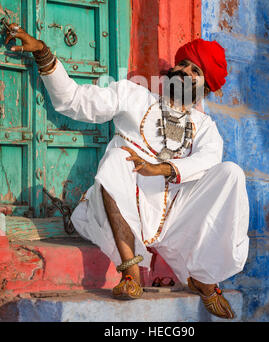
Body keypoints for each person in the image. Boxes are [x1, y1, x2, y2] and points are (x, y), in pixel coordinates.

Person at [4, 23, 249, 319]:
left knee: (231, 174)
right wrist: (44, 55)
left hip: (176, 216)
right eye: (182, 64)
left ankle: (204, 277)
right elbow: (75, 101)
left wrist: (161, 168)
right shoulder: (134, 96)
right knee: (119, 157)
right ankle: (130, 272)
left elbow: (209, 160)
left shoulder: (205, 127)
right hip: (125, 203)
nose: (184, 72)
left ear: (205, 88)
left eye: (195, 72)